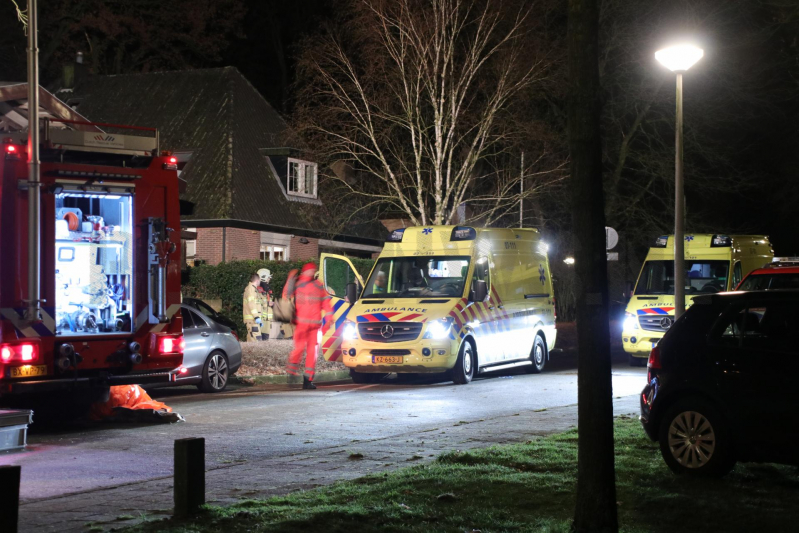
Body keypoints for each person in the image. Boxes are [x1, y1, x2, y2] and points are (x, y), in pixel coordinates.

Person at [287, 262, 332, 389]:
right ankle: (292, 371)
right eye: (310, 270)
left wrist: (329, 319)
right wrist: (290, 280)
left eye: (313, 271)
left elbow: (327, 304)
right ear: (305, 271)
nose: (311, 273)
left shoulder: (318, 286)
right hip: (303, 325)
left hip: (313, 326)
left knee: (312, 353)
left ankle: (307, 380)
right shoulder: (298, 283)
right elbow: (286, 296)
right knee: (299, 349)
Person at [242, 273, 263, 342]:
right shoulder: (251, 289)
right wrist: (256, 316)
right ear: (257, 280)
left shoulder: (253, 289)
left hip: (253, 320)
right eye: (259, 280)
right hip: (252, 320)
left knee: (251, 340)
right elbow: (251, 304)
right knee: (256, 340)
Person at [256, 268, 274, 340]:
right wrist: (267, 303)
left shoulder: (267, 289)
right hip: (261, 320)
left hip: (267, 321)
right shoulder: (258, 290)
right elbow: (256, 302)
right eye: (268, 277)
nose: (269, 279)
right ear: (264, 277)